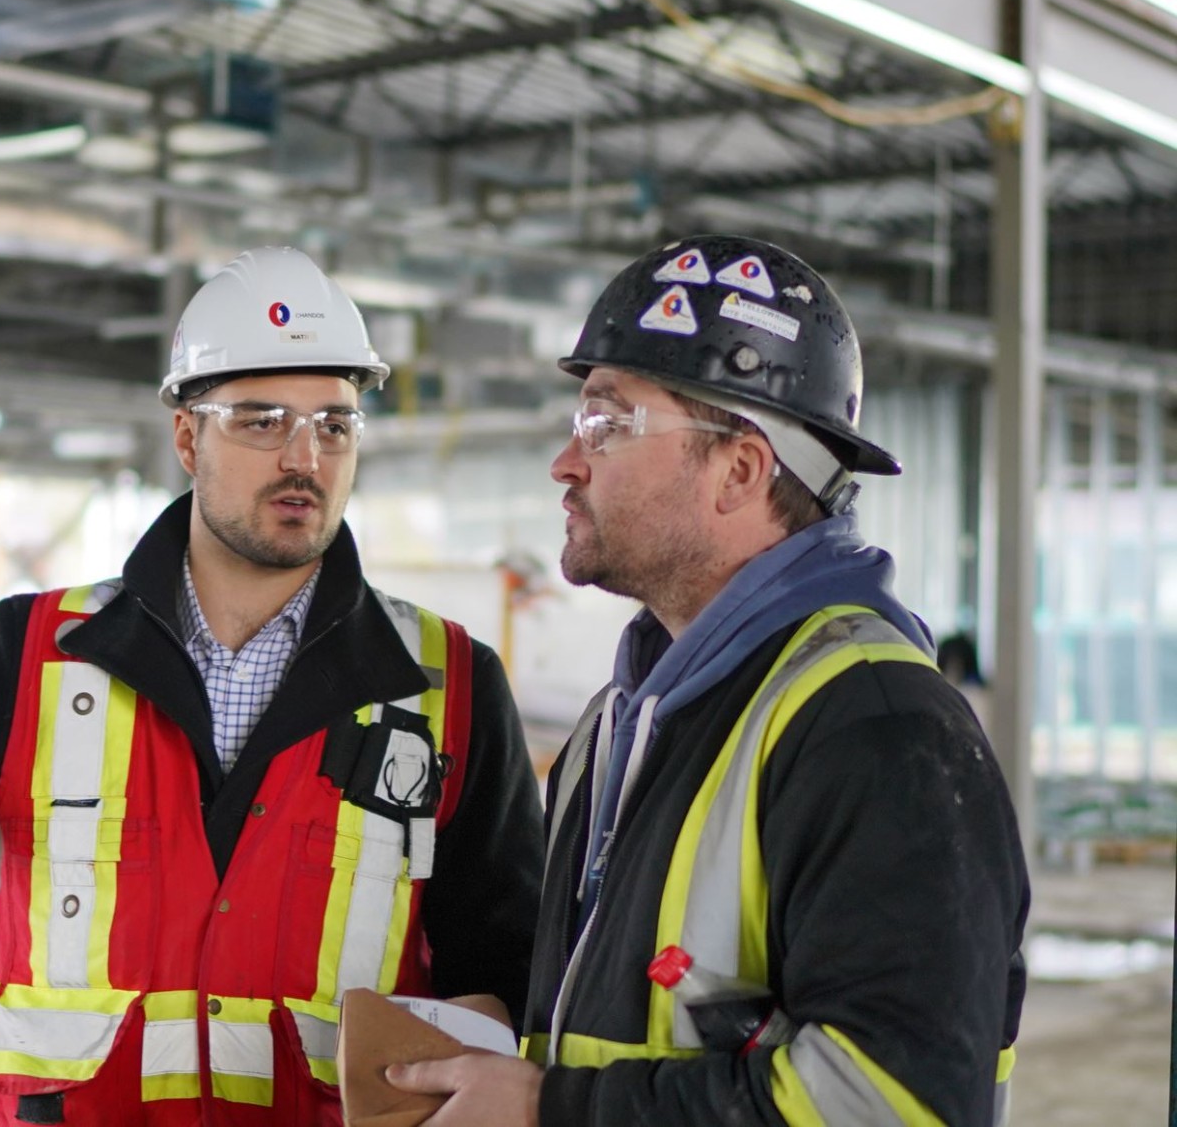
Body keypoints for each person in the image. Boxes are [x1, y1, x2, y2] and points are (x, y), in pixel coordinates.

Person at [0, 246, 545, 1126]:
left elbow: (511, 969)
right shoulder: (37, 653)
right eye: (261, 421)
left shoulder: (447, 685)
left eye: (335, 424)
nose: (306, 458)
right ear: (186, 437)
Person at [388, 235, 1029, 1125]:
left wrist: (552, 1109)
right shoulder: (614, 729)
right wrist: (518, 1040)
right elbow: (629, 1033)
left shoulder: (879, 731)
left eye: (608, 424)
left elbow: (893, 1101)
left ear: (740, 471)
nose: (566, 464)